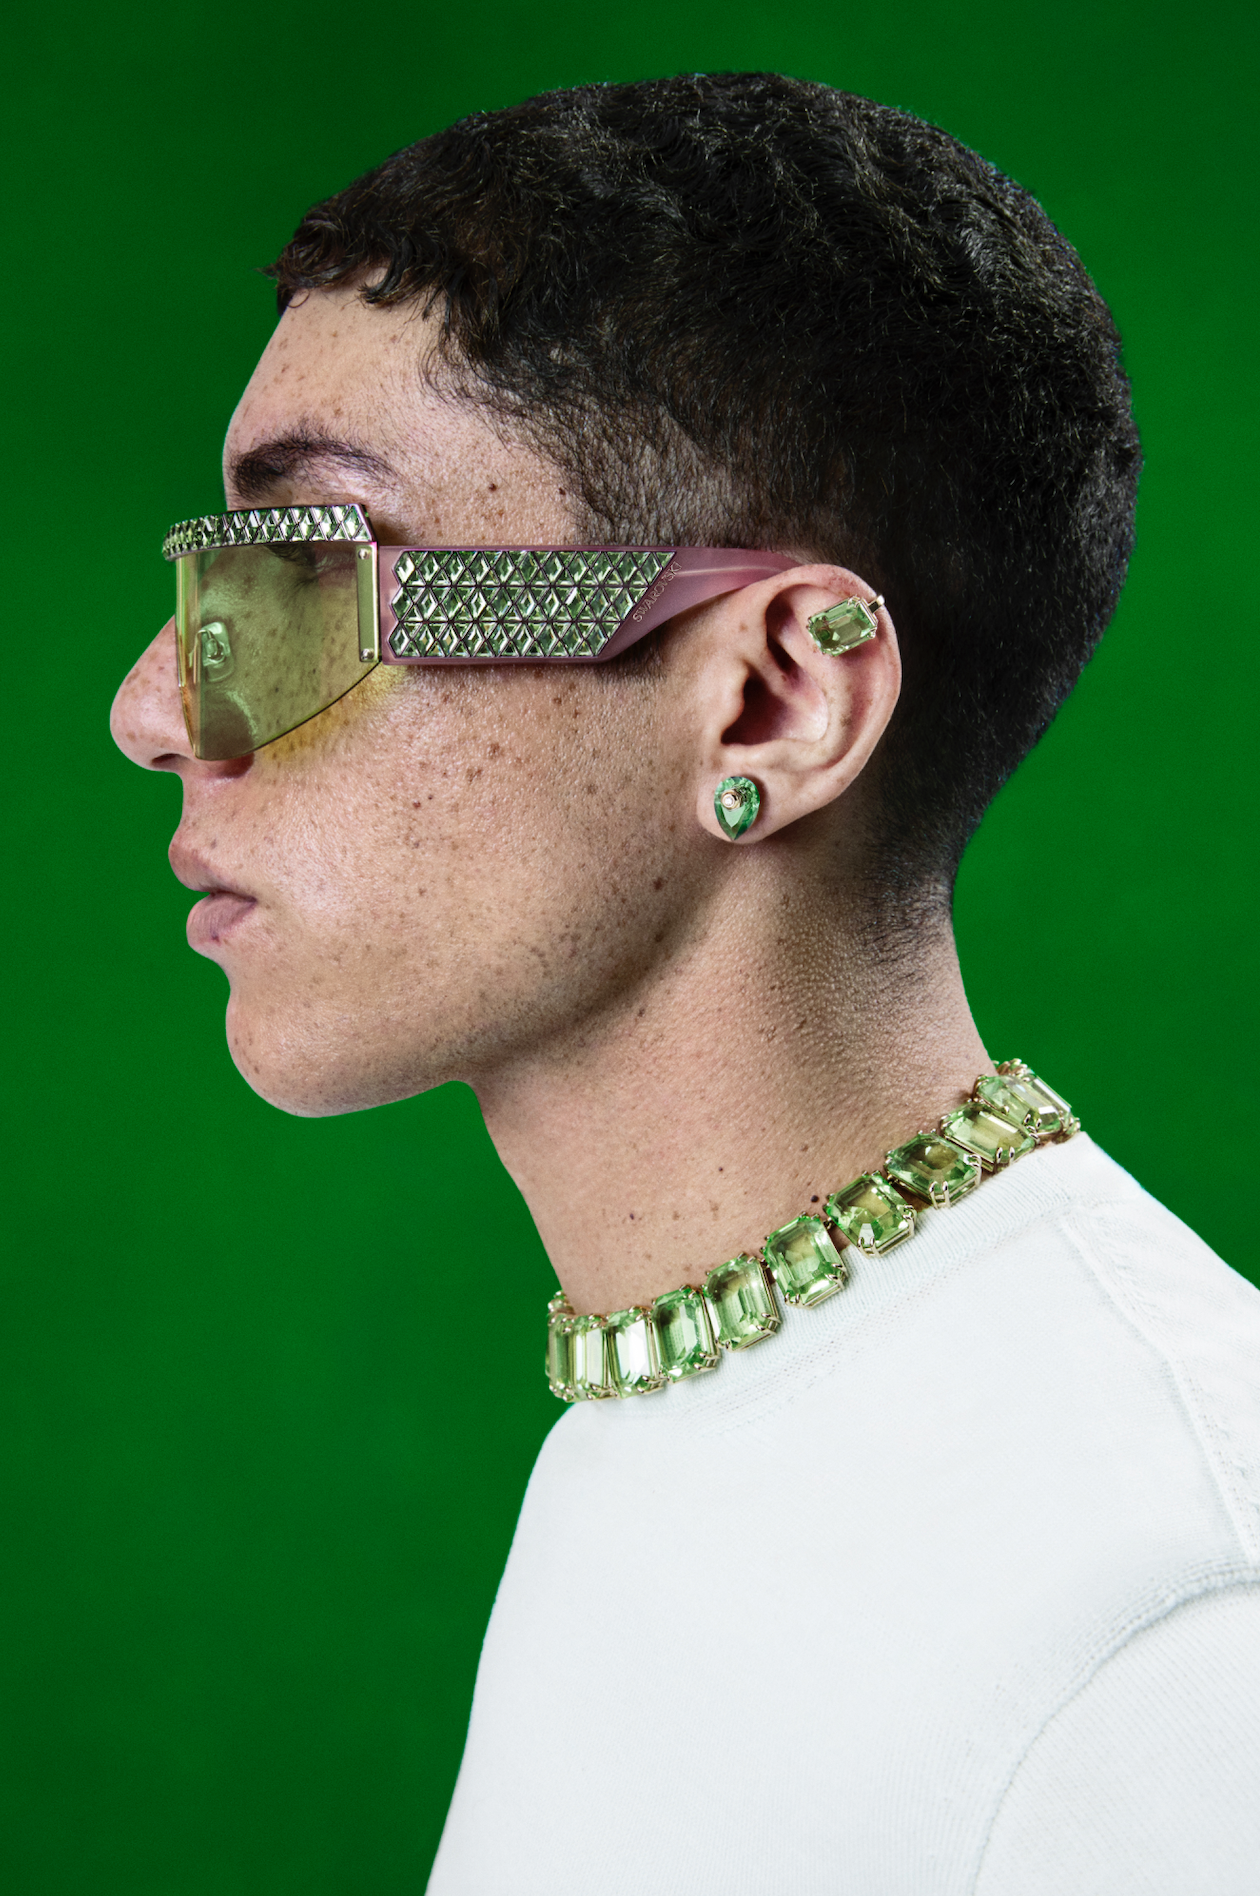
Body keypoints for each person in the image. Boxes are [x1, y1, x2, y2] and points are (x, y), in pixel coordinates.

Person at [111, 73, 1260, 1895]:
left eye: (309, 574)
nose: (156, 709)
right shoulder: (681, 1397)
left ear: (773, 700)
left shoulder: (1166, 1652)